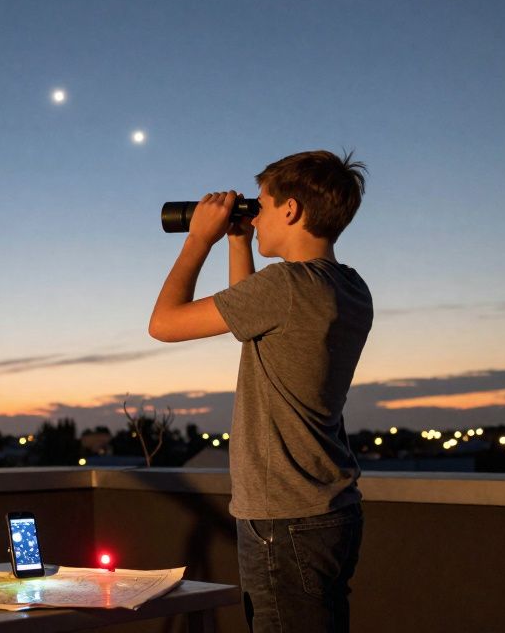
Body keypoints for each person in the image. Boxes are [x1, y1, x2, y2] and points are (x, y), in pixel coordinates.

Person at [148, 150, 371, 633]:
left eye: (263, 207)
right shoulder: (350, 287)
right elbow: (248, 324)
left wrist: (198, 241)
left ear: (290, 210)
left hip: (283, 516)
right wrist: (237, 243)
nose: (256, 216)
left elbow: (163, 323)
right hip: (330, 509)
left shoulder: (286, 285)